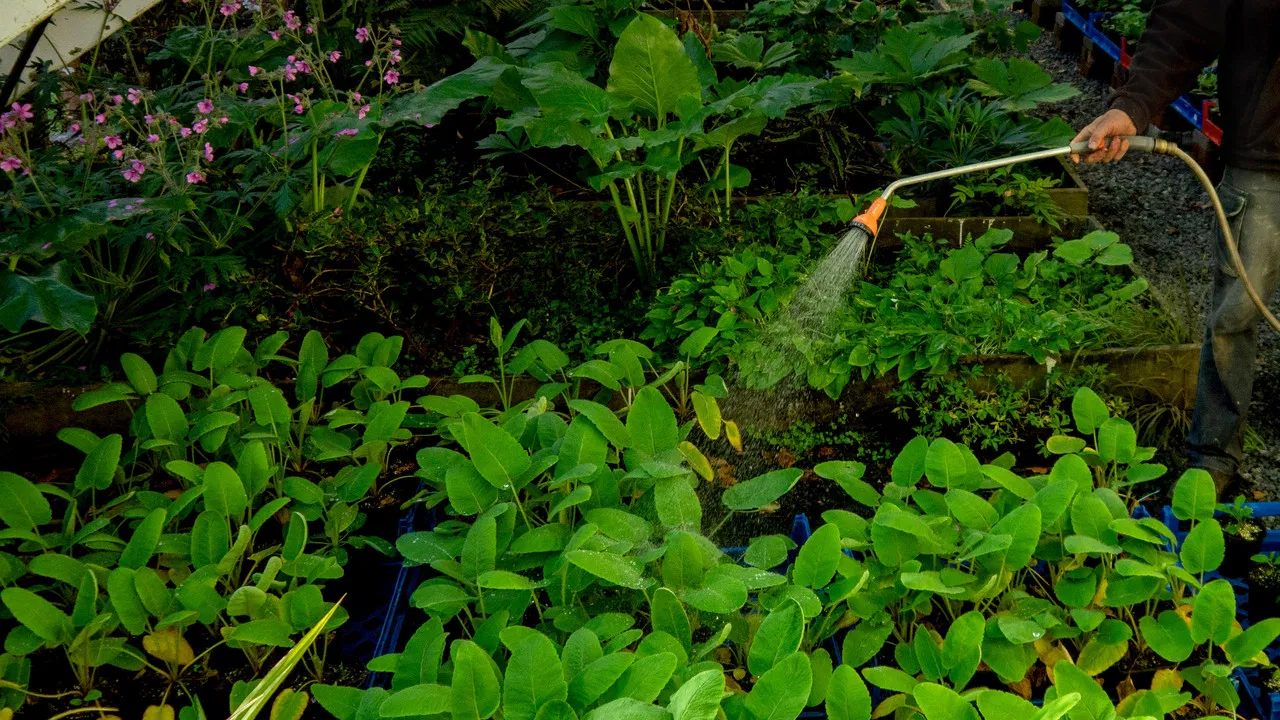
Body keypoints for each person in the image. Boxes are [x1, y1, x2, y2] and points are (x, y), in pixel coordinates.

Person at [1071, 0, 1280, 493]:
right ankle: (1213, 464)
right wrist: (1133, 105)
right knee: (1236, 315)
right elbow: (1187, 18)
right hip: (1267, 159)